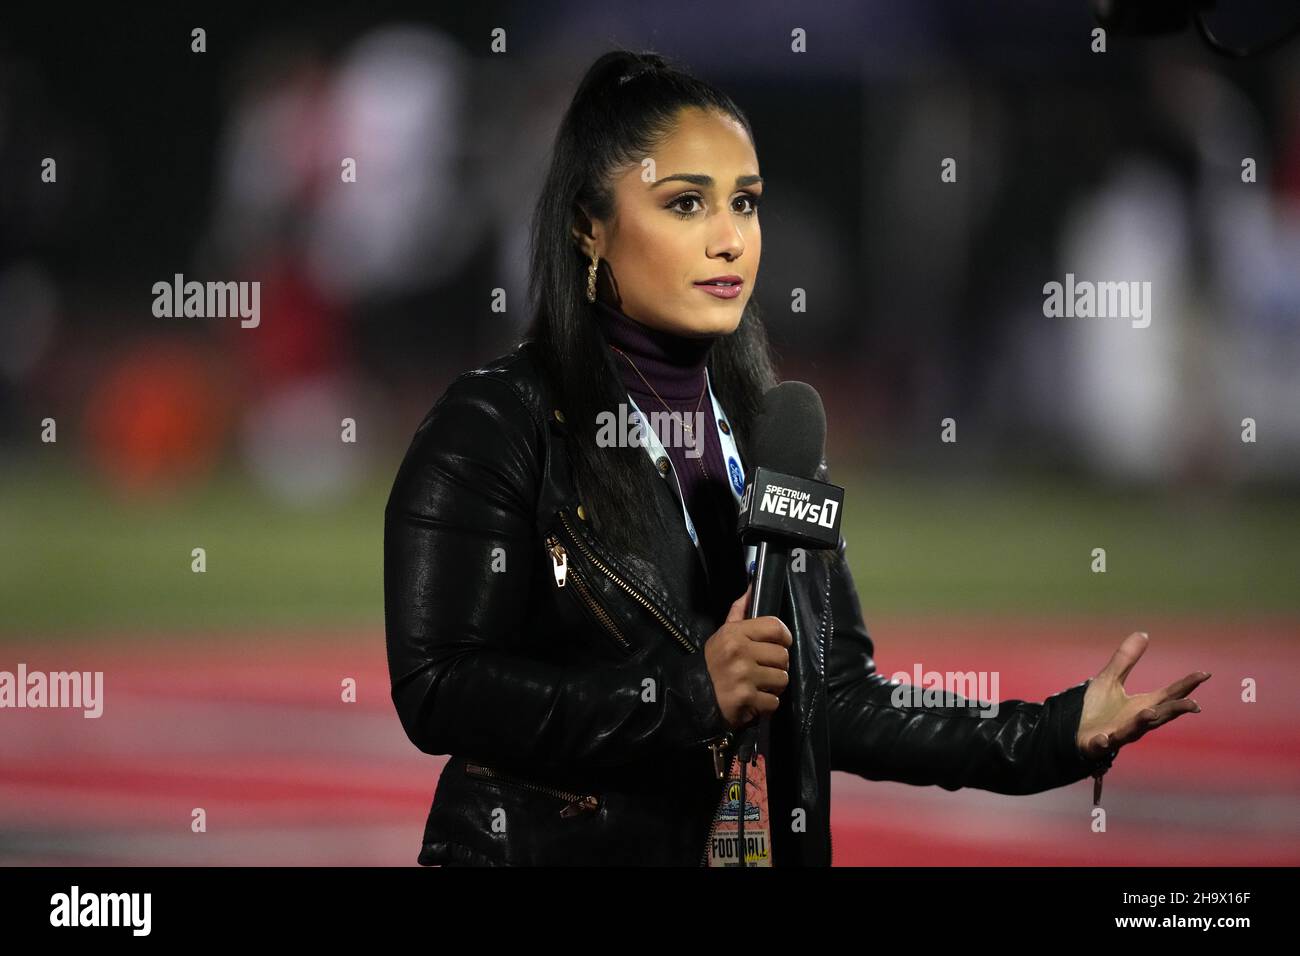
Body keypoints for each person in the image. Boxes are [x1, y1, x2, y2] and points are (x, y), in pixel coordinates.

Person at [382, 49, 1209, 866]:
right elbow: (440, 688)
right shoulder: (498, 420)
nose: (729, 240)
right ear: (588, 225)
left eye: (744, 204)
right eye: (684, 205)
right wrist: (687, 695)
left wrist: (1055, 734)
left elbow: (836, 699)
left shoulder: (772, 432)